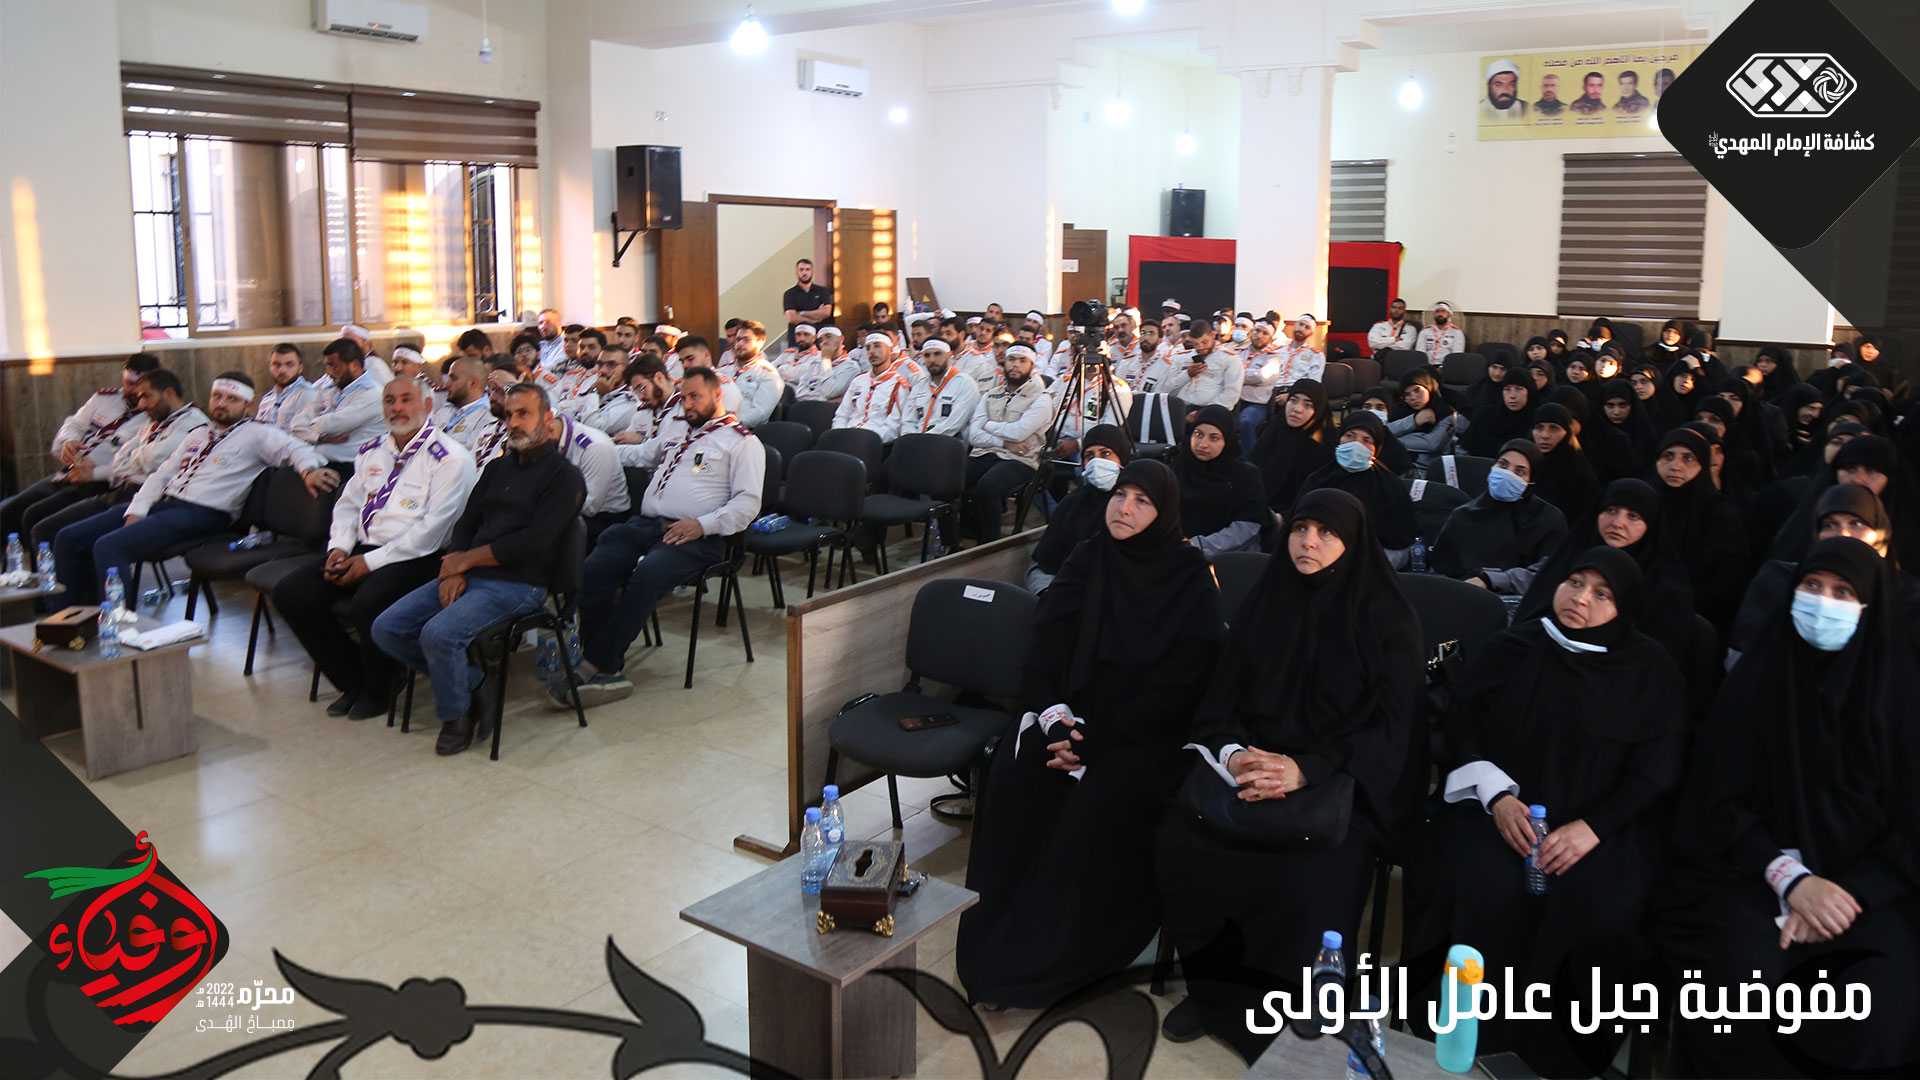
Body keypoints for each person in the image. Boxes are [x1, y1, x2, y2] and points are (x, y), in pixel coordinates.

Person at [1158, 488, 1425, 1061]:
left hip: (1339, 780)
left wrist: (1306, 769)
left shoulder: (1386, 619)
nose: (1309, 542)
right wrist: (1235, 756)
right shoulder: (1267, 600)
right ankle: (1213, 995)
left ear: (1354, 544)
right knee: (1187, 844)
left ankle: (1295, 1015)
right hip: (1253, 766)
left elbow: (1393, 728)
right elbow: (1222, 695)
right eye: (1301, 528)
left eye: (1327, 533)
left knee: (1311, 876)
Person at [959, 459, 1223, 1009]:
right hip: (1069, 719)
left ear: (1165, 512)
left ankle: (1052, 960)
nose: (1124, 508)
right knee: (1014, 775)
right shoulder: (1088, 556)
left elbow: (1182, 686)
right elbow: (1046, 646)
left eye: (1142, 501)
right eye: (1120, 495)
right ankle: (994, 948)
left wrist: (1097, 742)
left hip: (1144, 734)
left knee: (1094, 804)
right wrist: (1056, 719)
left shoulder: (1190, 576)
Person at [1416, 547, 1683, 1076]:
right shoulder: (1514, 647)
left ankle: (1559, 1059)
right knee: (1481, 885)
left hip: (1600, 826)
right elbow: (1461, 729)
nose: (1580, 599)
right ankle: (1465, 1039)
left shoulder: (1650, 669)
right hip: (1501, 813)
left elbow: (1657, 768)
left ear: (1624, 607)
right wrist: (1497, 797)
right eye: (1574, 583)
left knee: (1602, 909)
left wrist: (1592, 828)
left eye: (1601, 594)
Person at [1658, 538, 1920, 1077]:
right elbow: (1716, 802)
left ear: (1872, 606)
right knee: (1735, 993)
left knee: (1872, 1012)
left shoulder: (1900, 702)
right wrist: (1791, 879)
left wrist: (1843, 898)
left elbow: (1910, 831)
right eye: (1812, 585)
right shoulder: (1756, 684)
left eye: (1843, 592)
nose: (1823, 602)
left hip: (1867, 893)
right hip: (1753, 873)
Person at [371, 383, 585, 755]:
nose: (513, 423)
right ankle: (474, 683)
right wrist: (455, 567)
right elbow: (467, 522)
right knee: (387, 628)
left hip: (522, 583)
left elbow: (534, 543)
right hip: (471, 573)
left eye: (523, 414)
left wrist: (465, 561)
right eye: (509, 415)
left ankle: (457, 716)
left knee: (438, 634)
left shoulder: (564, 477)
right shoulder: (498, 468)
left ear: (548, 419)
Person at [275, 376, 477, 720]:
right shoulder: (372, 450)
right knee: (292, 593)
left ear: (428, 405)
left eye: (406, 399)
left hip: (421, 558)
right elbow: (348, 505)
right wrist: (339, 549)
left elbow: (431, 532)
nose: (397, 408)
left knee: (368, 602)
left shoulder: (450, 458)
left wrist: (367, 563)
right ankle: (354, 681)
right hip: (365, 548)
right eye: (389, 401)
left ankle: (379, 689)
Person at [560, 369, 764, 706]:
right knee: (596, 567)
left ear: (717, 396)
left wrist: (702, 525)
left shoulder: (741, 442)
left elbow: (747, 504)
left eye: (695, 396)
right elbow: (644, 453)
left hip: (697, 536)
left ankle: (601, 665)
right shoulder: (677, 428)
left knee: (648, 574)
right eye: (683, 397)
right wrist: (601, 449)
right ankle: (593, 654)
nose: (687, 404)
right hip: (648, 525)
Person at [58, 373, 337, 605]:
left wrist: (309, 470)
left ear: (248, 406)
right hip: (166, 505)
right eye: (217, 396)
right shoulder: (199, 433)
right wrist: (137, 510)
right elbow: (161, 475)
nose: (222, 404)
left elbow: (295, 448)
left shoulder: (257, 434)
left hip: (204, 513)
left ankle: (118, 627)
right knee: (69, 537)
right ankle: (73, 620)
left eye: (232, 399)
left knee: (109, 546)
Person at [27, 369, 208, 552]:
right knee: (43, 527)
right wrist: (135, 459)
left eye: (146, 396)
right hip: (119, 490)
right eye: (140, 397)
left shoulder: (192, 423)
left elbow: (153, 459)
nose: (141, 404)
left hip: (149, 500)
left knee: (68, 538)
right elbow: (121, 457)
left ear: (168, 393)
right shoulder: (154, 421)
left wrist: (133, 458)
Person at [1730, 483, 1897, 667]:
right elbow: (1744, 655)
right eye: (1830, 525)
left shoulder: (1904, 595)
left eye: (1856, 524)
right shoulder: (1778, 579)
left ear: (1879, 534)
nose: (1843, 534)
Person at [3, 355, 161, 542]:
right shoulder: (105, 399)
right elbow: (74, 424)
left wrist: (92, 472)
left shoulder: (154, 417)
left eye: (138, 385)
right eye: (128, 383)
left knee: (35, 517)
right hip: (70, 473)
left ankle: (41, 559)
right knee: (8, 511)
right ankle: (16, 557)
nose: (132, 390)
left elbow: (135, 463)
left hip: (101, 483)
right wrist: (68, 442)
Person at [1432, 440, 1569, 596]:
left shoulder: (1548, 519)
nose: (1507, 474)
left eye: (1519, 472)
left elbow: (1550, 574)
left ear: (1531, 482)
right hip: (1462, 597)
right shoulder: (1463, 515)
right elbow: (1440, 568)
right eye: (1503, 465)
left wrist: (1490, 580)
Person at [1651, 427, 1749, 632]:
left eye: (1688, 459)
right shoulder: (1645, 504)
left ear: (1703, 465)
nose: (1675, 466)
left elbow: (1725, 582)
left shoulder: (1721, 516)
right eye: (1668, 456)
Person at [1025, 425, 1131, 592]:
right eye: (1089, 456)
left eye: (1106, 454)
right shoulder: (1072, 504)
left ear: (1122, 458)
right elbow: (1043, 565)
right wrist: (1047, 595)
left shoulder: (1135, 507)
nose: (1097, 462)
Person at [962, 345, 1051, 544]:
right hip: (986, 452)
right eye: (1011, 359)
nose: (1015, 365)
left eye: (1022, 360)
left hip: (1021, 459)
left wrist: (987, 424)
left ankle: (989, 544)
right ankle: (957, 537)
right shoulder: (991, 394)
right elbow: (974, 435)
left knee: (988, 486)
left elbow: (1018, 433)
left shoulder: (1041, 398)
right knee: (953, 479)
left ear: (1032, 365)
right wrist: (1003, 442)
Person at [1297, 412, 1417, 555]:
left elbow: (1399, 540)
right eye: (1350, 436)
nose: (1356, 444)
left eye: (1367, 440)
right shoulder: (1317, 479)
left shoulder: (1390, 487)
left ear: (1377, 448)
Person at [1170, 406, 1267, 558]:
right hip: (1178, 550)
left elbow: (1248, 527)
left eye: (1214, 438)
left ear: (1227, 440)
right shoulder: (1180, 466)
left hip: (1228, 556)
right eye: (1198, 434)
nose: (1203, 444)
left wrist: (1197, 546)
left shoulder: (1245, 475)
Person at [290, 338, 390, 477]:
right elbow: (295, 425)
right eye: (327, 366)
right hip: (321, 464)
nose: (329, 373)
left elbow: (331, 425)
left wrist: (311, 428)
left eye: (334, 366)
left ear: (354, 365)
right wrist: (319, 438)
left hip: (354, 470)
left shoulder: (373, 395)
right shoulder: (331, 390)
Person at [1250, 379, 1334, 514]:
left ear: (1318, 410)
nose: (1297, 409)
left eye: (1307, 405)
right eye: (1293, 400)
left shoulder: (1321, 447)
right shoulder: (1275, 429)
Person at [833, 332, 925, 443]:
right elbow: (842, 414)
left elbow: (893, 427)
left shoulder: (899, 385)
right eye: (868, 348)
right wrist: (839, 435)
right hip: (847, 436)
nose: (872, 351)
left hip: (873, 442)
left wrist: (864, 440)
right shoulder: (858, 381)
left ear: (890, 350)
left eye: (877, 346)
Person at [1529, 402, 1599, 522]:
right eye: (1539, 428)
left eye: (1554, 428)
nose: (1545, 435)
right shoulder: (1525, 462)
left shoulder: (1579, 472)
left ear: (1567, 432)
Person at [1387, 369, 1462, 474]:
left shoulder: (1446, 413)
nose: (1413, 397)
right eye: (1407, 394)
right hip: (1399, 466)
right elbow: (1384, 430)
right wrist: (1414, 421)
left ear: (1428, 388)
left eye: (1417, 390)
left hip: (1430, 471)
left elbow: (1431, 444)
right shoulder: (1400, 410)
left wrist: (1389, 440)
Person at [902, 340, 981, 437]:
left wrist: (923, 440)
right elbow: (907, 421)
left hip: (948, 441)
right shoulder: (919, 386)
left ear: (949, 355)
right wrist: (909, 438)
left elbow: (953, 424)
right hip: (917, 440)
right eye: (927, 355)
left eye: (937, 354)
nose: (932, 360)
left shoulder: (965, 383)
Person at [1161, 324, 1243, 413]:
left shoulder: (1230, 358)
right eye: (1195, 344)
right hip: (1180, 406)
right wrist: (1187, 374)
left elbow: (1231, 393)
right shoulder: (1182, 357)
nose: (1200, 347)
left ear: (1212, 335)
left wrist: (1205, 412)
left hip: (1211, 410)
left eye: (1204, 342)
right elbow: (1167, 388)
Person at [1461, 368, 1537, 458]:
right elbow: (1465, 449)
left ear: (1529, 391)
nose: (1512, 396)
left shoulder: (1537, 420)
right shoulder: (1485, 415)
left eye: (1518, 389)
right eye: (1507, 389)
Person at [432, 357, 498, 452]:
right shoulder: (444, 410)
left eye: (453, 378)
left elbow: (470, 456)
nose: (447, 384)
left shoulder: (489, 416)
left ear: (473, 383)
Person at [1599, 378, 1661, 471]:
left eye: (1623, 405)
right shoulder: (1595, 434)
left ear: (1633, 405)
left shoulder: (1645, 433)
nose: (1616, 412)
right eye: (1610, 405)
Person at [790, 325, 861, 403]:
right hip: (807, 405)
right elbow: (800, 393)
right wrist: (822, 398)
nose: (824, 342)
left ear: (841, 339)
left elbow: (829, 392)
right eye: (821, 340)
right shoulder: (815, 364)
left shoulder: (850, 367)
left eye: (828, 337)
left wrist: (826, 360)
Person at [578, 346, 640, 434]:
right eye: (600, 364)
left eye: (611, 365)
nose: (603, 370)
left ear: (626, 368)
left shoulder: (630, 402)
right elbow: (571, 409)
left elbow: (591, 428)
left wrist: (595, 392)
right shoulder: (591, 381)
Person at [255, 344, 318, 429]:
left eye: (289, 365)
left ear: (300, 368)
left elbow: (307, 432)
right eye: (276, 365)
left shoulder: (308, 395)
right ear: (270, 367)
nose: (282, 370)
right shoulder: (267, 400)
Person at [782, 258, 833, 328]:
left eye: (807, 269)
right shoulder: (789, 294)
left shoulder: (823, 291)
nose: (804, 273)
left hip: (819, 331)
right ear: (796, 272)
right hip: (797, 332)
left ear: (812, 272)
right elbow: (792, 318)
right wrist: (814, 320)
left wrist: (802, 313)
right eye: (801, 270)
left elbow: (826, 312)